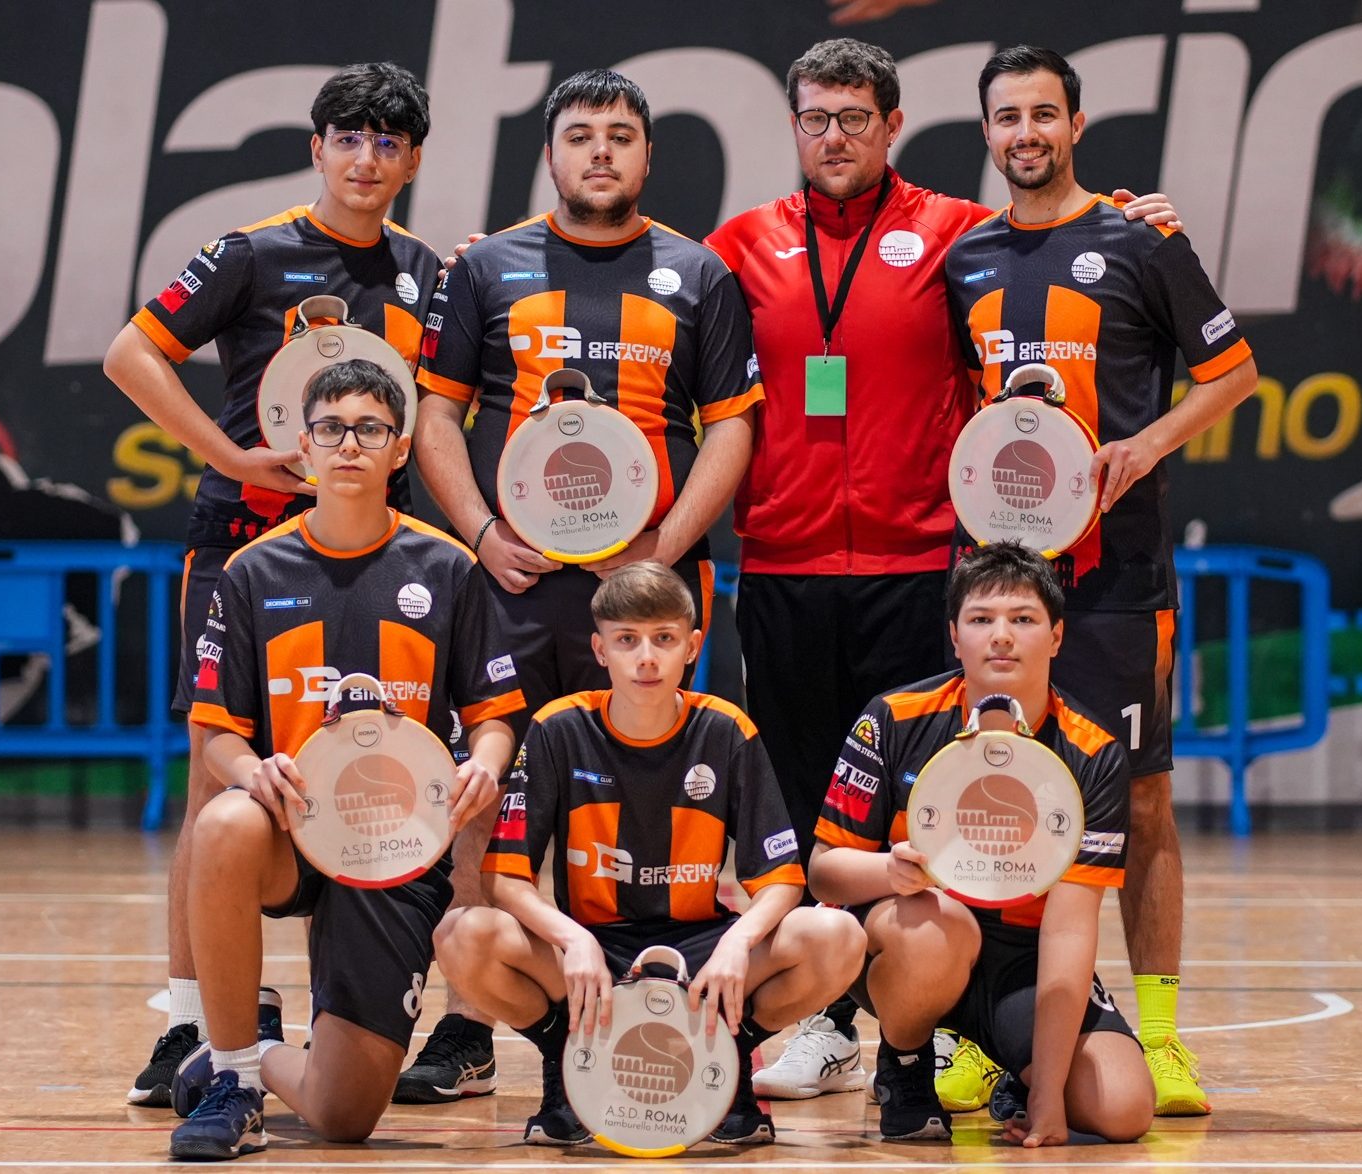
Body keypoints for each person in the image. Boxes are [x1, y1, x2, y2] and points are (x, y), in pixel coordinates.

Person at [703, 36, 1180, 1110]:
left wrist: (1131, 221)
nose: (835, 137)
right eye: (816, 118)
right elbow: (637, 265)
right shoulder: (740, 245)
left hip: (919, 560)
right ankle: (826, 1025)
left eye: (855, 118)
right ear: (793, 126)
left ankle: (949, 1025)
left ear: (893, 126)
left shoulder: (959, 234)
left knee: (935, 802)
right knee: (802, 800)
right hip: (782, 562)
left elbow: (1051, 232)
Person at [101, 62, 507, 1106]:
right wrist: (231, 455)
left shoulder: (428, 272)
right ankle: (194, 1023)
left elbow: (453, 397)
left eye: (387, 143)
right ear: (317, 148)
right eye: (349, 139)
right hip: (249, 544)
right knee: (219, 781)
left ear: (412, 162)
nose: (366, 159)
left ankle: (453, 1020)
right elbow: (132, 353)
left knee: (434, 764)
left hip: (385, 556)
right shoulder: (251, 252)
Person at [944, 44, 1261, 1116]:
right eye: (1007, 117)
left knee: (1144, 796)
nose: (1025, 133)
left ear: (1075, 125)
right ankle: (981, 1032)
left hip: (1118, 575)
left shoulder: (1140, 239)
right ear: (986, 133)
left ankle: (1160, 1038)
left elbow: (1234, 372)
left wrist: (1145, 446)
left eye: (1044, 113)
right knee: (989, 785)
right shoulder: (967, 258)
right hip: (997, 581)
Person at [164, 359, 524, 1160]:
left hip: (393, 845)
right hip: (292, 829)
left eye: (369, 429)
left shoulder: (448, 569)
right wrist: (252, 772)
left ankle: (254, 1048)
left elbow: (494, 715)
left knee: (343, 1115)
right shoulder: (253, 571)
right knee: (223, 821)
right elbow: (218, 732)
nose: (349, 445)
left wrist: (486, 764)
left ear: (399, 449)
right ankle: (232, 1080)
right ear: (304, 446)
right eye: (331, 429)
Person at [433, 562, 866, 1146]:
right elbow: (504, 879)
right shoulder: (557, 728)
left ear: (692, 647)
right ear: (600, 649)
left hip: (701, 948)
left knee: (837, 936)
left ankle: (728, 1057)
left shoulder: (726, 729)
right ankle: (567, 1062)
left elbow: (782, 879)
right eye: (627, 640)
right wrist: (571, 939)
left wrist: (738, 943)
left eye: (663, 639)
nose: (646, 658)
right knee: (463, 934)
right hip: (593, 946)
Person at [415, 68, 760, 718]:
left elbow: (732, 426)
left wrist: (665, 547)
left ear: (648, 156)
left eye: (620, 137)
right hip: (508, 576)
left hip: (652, 578)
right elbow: (435, 415)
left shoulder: (701, 273)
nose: (601, 151)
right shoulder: (483, 268)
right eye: (580, 137)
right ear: (550, 155)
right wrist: (482, 534)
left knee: (639, 768)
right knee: (497, 767)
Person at [809, 542, 1154, 1145]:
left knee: (1123, 1110)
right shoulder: (893, 717)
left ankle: (1017, 1078)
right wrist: (892, 872)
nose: (1001, 636)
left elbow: (1069, 928)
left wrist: (1049, 1096)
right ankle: (906, 1064)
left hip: (1023, 960)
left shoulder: (1094, 754)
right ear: (954, 635)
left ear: (1056, 636)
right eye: (980, 619)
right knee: (938, 929)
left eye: (1023, 619)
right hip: (916, 934)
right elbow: (823, 872)